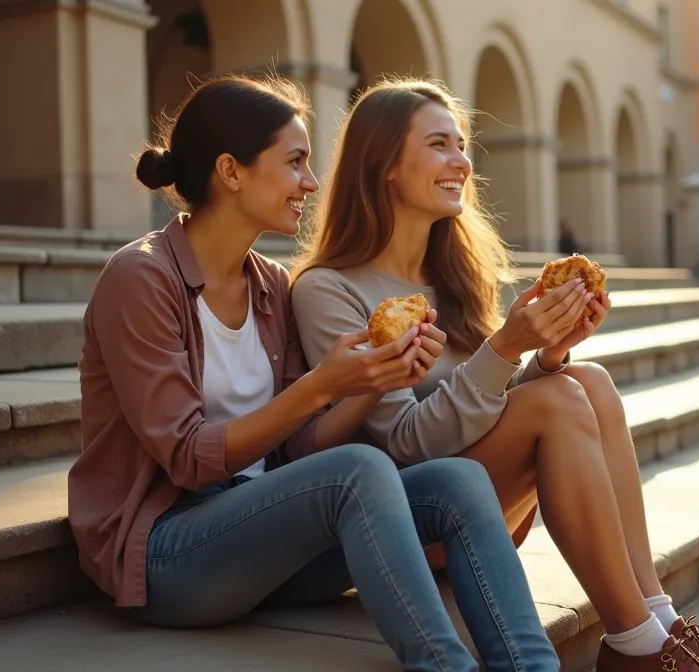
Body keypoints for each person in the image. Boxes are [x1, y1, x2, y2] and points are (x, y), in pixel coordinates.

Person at [68, 74, 557, 672]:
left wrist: (370, 382)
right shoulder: (141, 279)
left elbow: (300, 449)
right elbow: (188, 456)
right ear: (231, 171)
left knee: (458, 482)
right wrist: (321, 385)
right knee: (360, 468)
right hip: (168, 554)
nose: (312, 180)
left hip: (265, 537)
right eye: (295, 161)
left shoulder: (270, 286)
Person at [290, 78, 699, 672]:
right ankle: (637, 645)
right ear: (386, 166)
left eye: (461, 143)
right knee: (555, 402)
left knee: (589, 382)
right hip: (407, 517)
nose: (462, 161)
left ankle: (656, 619)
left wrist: (550, 352)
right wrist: (506, 346)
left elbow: (490, 399)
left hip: (480, 504)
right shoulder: (330, 289)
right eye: (439, 145)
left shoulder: (456, 276)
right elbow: (400, 443)